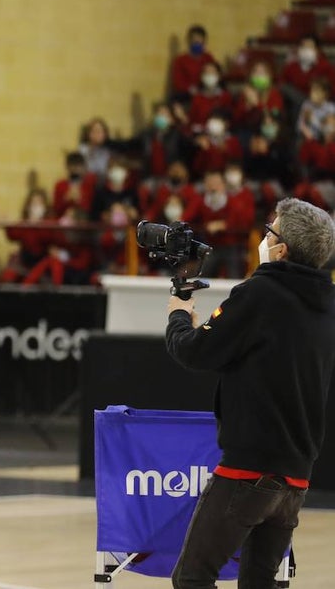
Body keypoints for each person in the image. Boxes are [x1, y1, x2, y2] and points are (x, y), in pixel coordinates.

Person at [166, 198, 335, 588]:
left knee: (192, 577)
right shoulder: (326, 303)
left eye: (269, 232)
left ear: (281, 250)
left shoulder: (262, 292)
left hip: (249, 469)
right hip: (295, 478)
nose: (263, 237)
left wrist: (178, 312)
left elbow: (195, 351)